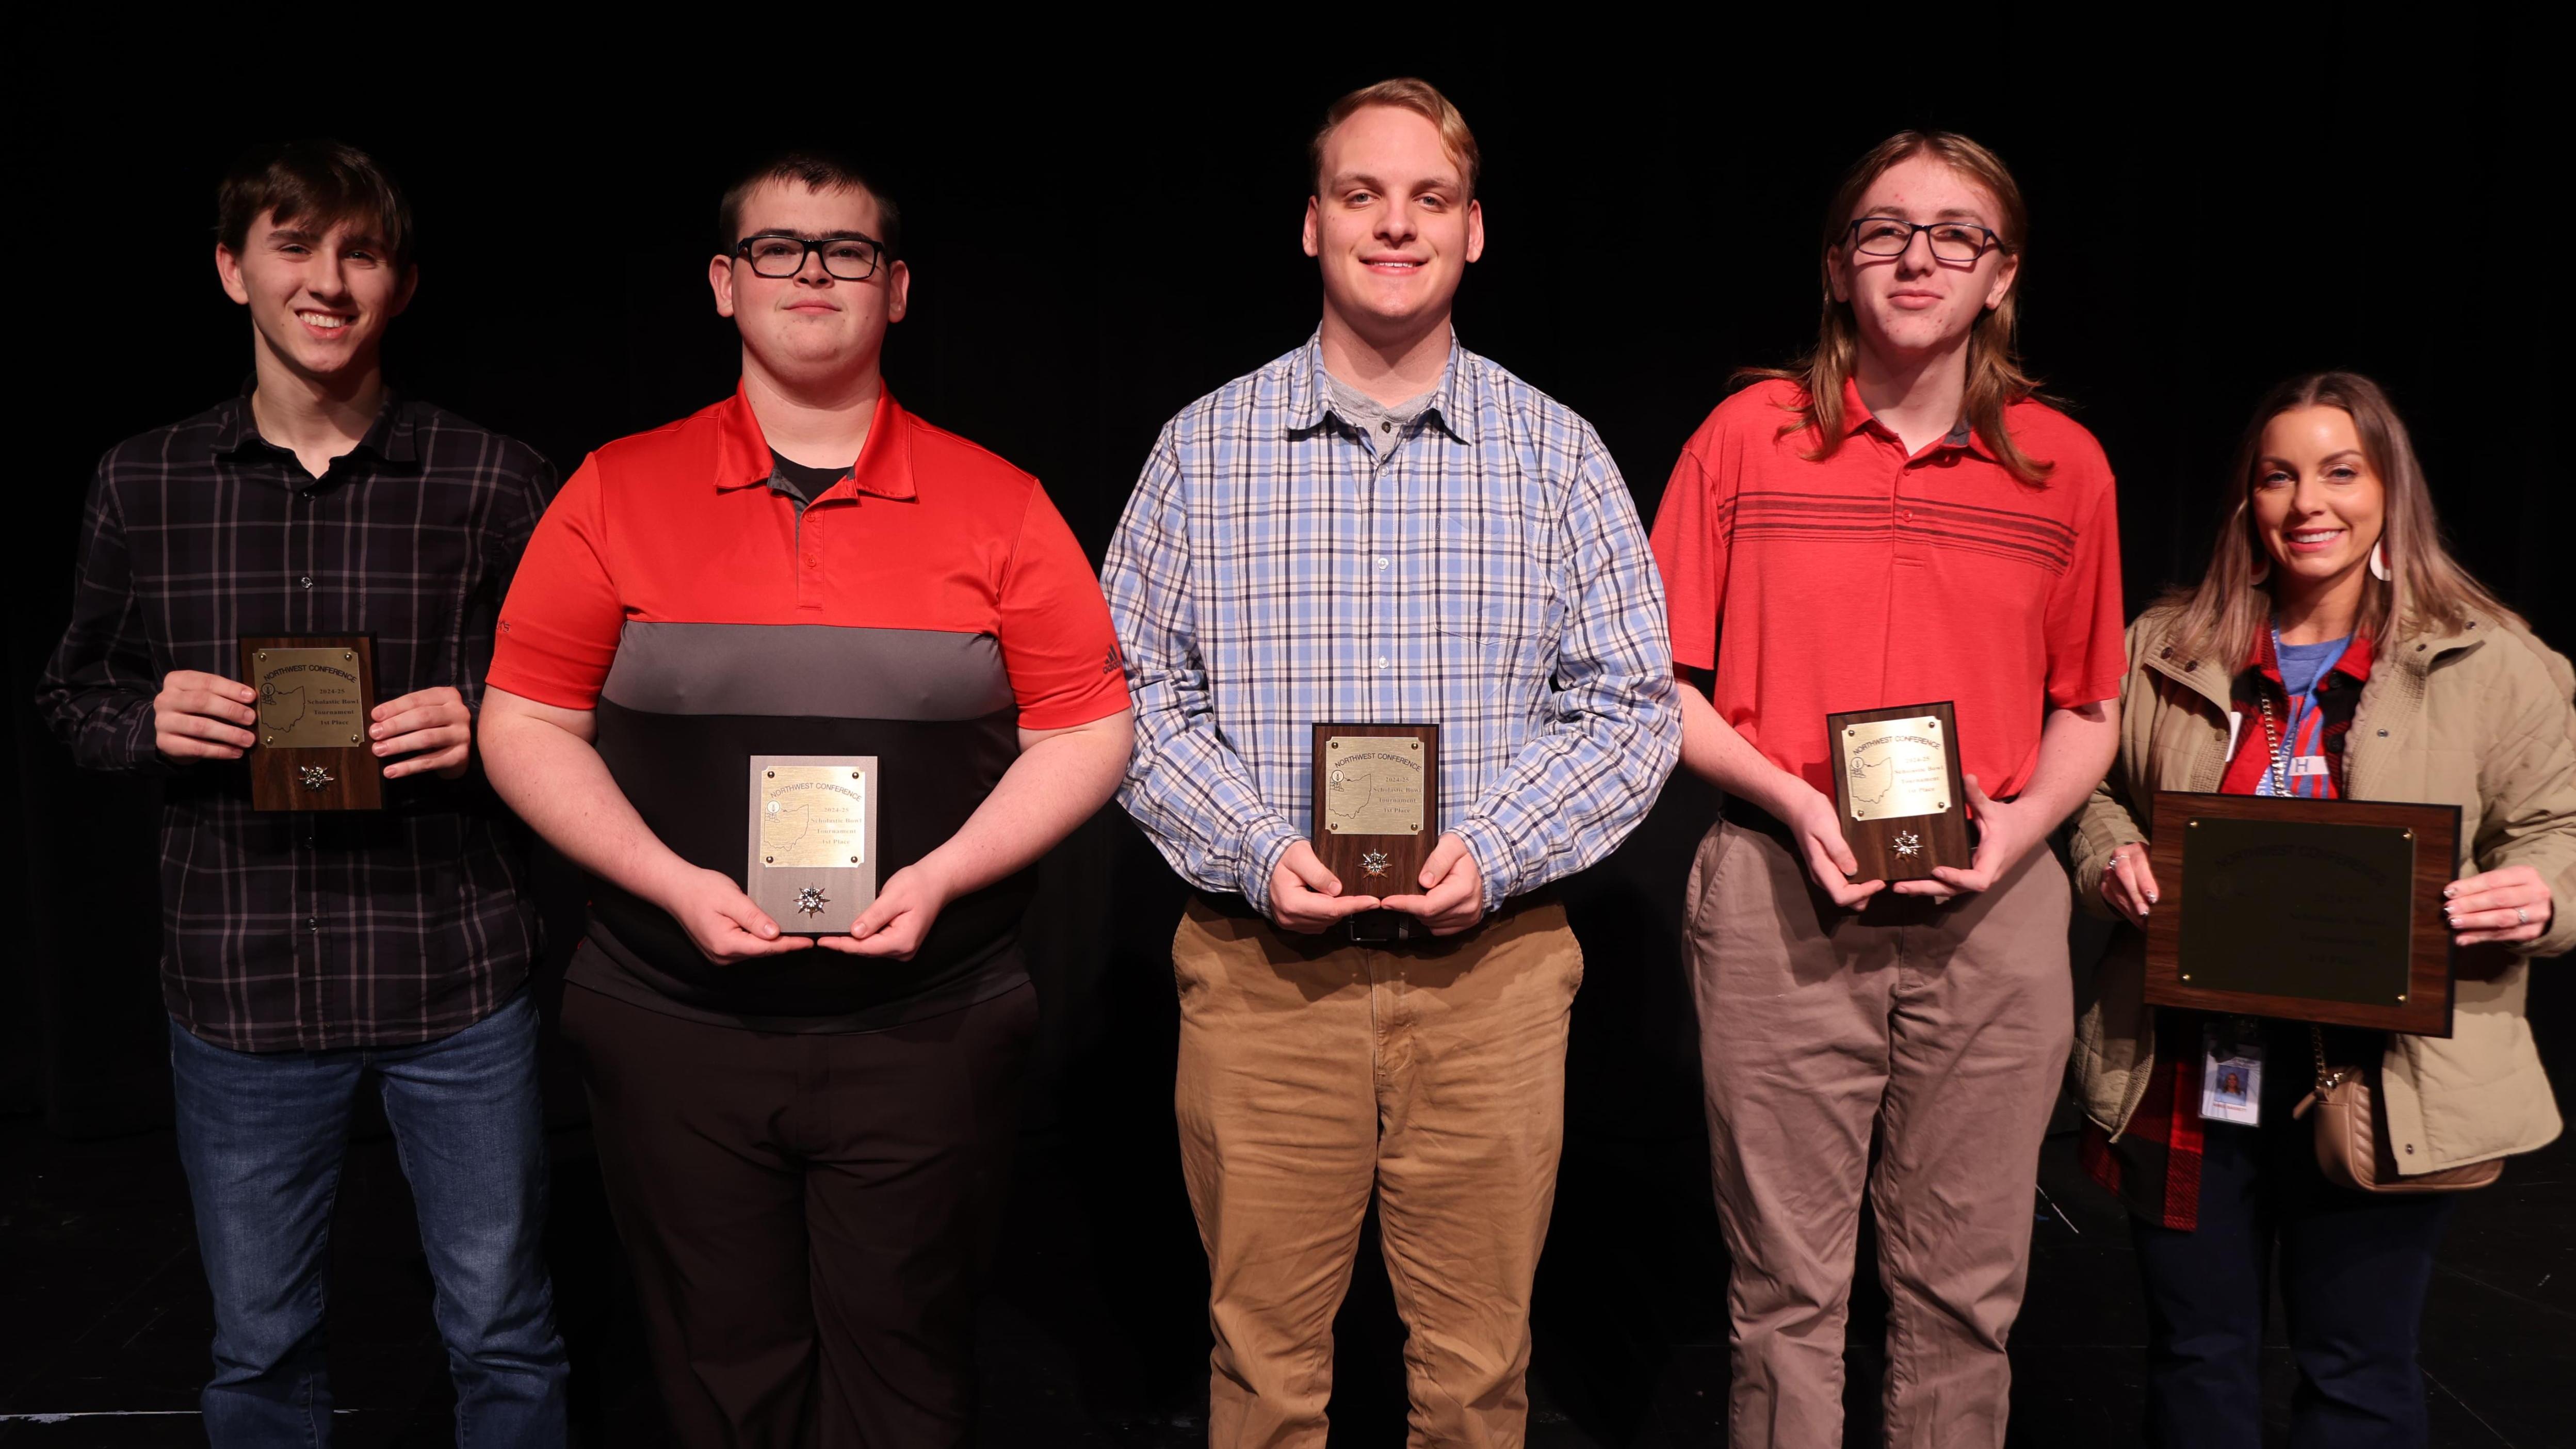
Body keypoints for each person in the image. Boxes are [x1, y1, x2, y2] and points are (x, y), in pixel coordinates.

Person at [475, 152, 1135, 1446]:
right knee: (722, 1376)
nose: (813, 272)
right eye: (779, 248)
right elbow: (527, 723)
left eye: (847, 251)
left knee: (908, 1373)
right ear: (725, 285)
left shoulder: (1002, 505)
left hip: (926, 1021)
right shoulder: (614, 489)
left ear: (897, 290)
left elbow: (1086, 726)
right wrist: (671, 884)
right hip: (675, 1018)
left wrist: (943, 877)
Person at [1102, 78, 1679, 1446]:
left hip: (1489, 981)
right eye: (1362, 195)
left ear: (1473, 231)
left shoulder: (1557, 456)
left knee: (1477, 1378)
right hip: (1264, 981)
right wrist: (1254, 843)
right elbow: (1128, 688)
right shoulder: (1203, 449)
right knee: (1262, 1373)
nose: (1395, 225)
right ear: (1313, 224)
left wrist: (1499, 847)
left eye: (1429, 198)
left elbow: (1628, 704)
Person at [36, 140, 566, 1444]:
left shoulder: (495, 480)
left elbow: (580, 712)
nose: (327, 282)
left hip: (454, 975)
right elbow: (70, 698)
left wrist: (491, 727)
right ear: (233, 270)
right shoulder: (143, 479)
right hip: (241, 982)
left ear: (401, 283)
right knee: (260, 1352)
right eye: (293, 246)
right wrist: (147, 723)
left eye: (361, 252)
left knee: (504, 1339)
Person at [1647, 131, 2126, 1447]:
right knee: (1785, 1293)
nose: (1918, 256)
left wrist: (2022, 831)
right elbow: (1657, 688)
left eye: (1956, 233)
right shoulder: (1747, 439)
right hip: (1778, 896)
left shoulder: (2061, 465)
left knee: (1965, 1296)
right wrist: (1798, 804)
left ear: (2002, 274)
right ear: (1835, 264)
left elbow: (2090, 706)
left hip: (1996, 906)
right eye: (1883, 229)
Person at [2072, 371, 2573, 1447]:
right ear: (2247, 501)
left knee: (2356, 1369)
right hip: (2189, 1064)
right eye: (2278, 477)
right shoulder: (2163, 646)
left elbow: (2558, 833)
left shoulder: (2494, 662)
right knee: (2196, 1357)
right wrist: (2109, 853)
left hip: (2386, 1079)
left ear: (2390, 489)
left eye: (2341, 472)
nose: (2309, 503)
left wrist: (2542, 892)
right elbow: (2092, 793)